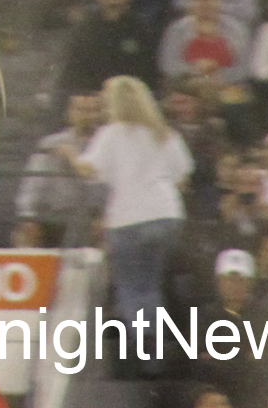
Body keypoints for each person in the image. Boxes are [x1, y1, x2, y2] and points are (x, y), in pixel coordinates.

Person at [77, 75, 193, 322]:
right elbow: (182, 175)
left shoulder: (111, 134)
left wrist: (69, 155)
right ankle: (153, 346)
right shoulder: (165, 134)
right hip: (165, 215)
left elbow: (88, 170)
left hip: (127, 218)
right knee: (150, 286)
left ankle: (143, 343)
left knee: (131, 288)